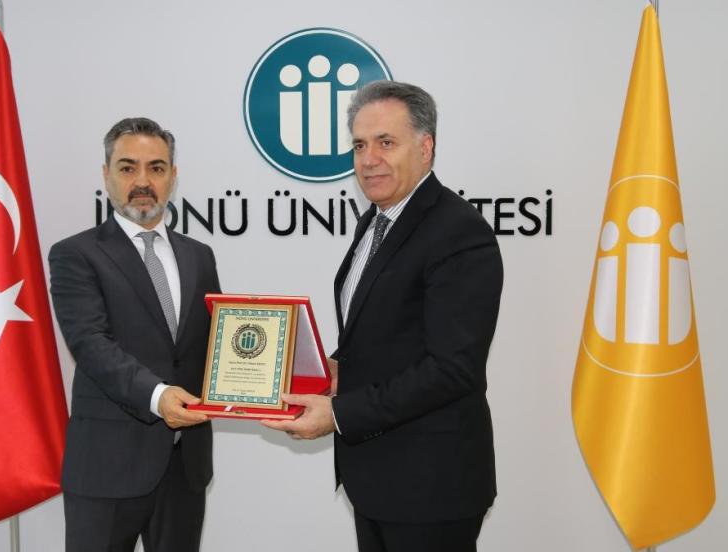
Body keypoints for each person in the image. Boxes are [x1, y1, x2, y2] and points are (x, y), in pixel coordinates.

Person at [263, 81, 503, 552]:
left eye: (386, 142)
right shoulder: (377, 220)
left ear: (425, 147)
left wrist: (339, 414)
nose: (368, 159)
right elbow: (388, 332)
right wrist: (337, 368)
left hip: (431, 487)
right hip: (377, 479)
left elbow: (453, 368)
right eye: (359, 145)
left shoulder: (458, 232)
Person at [49, 117, 220, 552]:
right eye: (128, 168)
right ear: (106, 174)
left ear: (173, 177)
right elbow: (90, 344)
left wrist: (268, 382)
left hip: (184, 466)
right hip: (106, 467)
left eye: (156, 168)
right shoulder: (75, 254)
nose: (143, 181)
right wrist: (159, 396)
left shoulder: (199, 256)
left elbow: (215, 347)